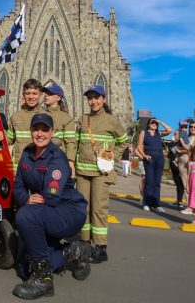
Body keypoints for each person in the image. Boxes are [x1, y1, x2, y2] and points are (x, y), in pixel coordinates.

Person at [12, 113, 90, 300]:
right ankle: (73, 251)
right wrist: (26, 199)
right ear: (31, 131)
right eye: (36, 129)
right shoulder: (27, 153)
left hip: (68, 211)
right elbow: (18, 187)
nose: (40, 133)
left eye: (45, 129)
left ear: (52, 132)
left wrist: (29, 205)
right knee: (24, 268)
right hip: (45, 212)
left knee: (25, 216)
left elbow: (51, 197)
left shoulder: (57, 157)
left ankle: (44, 280)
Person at [72, 85, 129, 264]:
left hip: (101, 173)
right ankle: (84, 242)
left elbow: (124, 141)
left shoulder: (111, 120)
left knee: (98, 209)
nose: (93, 101)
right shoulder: (83, 119)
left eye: (96, 98)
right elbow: (75, 143)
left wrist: (113, 157)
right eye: (90, 98)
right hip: (82, 171)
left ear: (103, 99)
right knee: (83, 208)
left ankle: (100, 247)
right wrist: (72, 164)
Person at [136, 117, 173, 213]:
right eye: (152, 122)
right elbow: (139, 146)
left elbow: (170, 130)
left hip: (159, 159)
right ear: (148, 124)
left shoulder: (159, 133)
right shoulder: (144, 132)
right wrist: (144, 156)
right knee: (149, 181)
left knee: (157, 182)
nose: (154, 124)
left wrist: (160, 121)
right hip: (149, 159)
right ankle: (146, 203)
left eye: (156, 123)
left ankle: (156, 204)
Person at [5, 79, 44, 166]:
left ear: (41, 95)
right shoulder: (15, 117)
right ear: (23, 95)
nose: (31, 97)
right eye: (28, 93)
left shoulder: (47, 117)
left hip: (39, 167)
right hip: (19, 168)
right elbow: (9, 139)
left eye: (34, 93)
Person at [41, 83, 76, 162]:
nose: (46, 95)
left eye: (50, 93)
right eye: (45, 93)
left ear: (58, 98)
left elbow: (70, 142)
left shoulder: (66, 118)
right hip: (40, 159)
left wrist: (70, 161)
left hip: (57, 160)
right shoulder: (40, 115)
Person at [168, 120, 191, 209]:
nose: (176, 135)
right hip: (174, 165)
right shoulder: (172, 143)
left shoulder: (184, 141)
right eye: (175, 134)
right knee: (178, 183)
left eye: (177, 134)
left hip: (181, 165)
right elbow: (170, 154)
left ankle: (182, 202)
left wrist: (180, 149)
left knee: (183, 183)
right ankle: (179, 201)